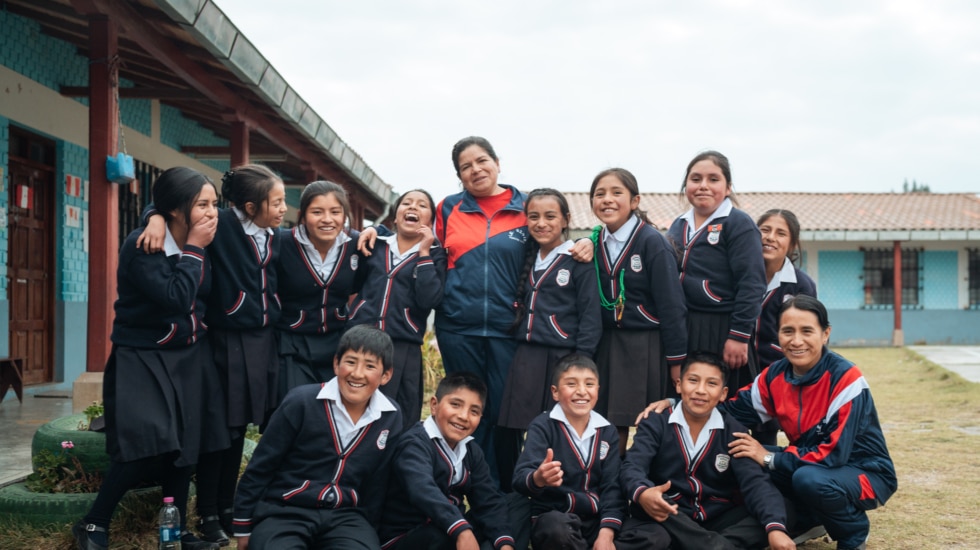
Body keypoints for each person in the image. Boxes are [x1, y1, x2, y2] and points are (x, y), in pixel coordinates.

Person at [641, 296, 898, 550]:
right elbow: (729, 411)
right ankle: (808, 519)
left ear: (825, 334)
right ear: (778, 335)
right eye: (788, 331)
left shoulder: (846, 379)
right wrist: (678, 403)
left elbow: (833, 455)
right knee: (742, 455)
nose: (796, 340)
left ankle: (853, 532)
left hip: (865, 473)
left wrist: (769, 458)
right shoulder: (775, 375)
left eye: (807, 331)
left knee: (807, 479)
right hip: (810, 465)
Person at [74, 167, 225, 550]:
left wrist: (158, 216)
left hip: (189, 356)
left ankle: (174, 533)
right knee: (143, 444)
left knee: (185, 448)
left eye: (214, 204)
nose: (212, 212)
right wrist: (189, 245)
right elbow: (176, 296)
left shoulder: (199, 234)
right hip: (143, 357)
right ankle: (93, 524)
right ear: (176, 209)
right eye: (202, 204)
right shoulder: (144, 245)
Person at [138, 163, 288, 544]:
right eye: (277, 201)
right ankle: (208, 512)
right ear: (250, 206)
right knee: (219, 431)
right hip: (224, 342)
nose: (285, 208)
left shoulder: (275, 235)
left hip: (260, 342)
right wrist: (152, 217)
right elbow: (172, 206)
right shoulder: (219, 222)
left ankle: (227, 506)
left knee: (238, 430)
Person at [232, 325, 403, 550]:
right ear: (336, 363)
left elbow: (378, 484)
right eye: (350, 362)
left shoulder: (390, 415)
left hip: (346, 516)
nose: (357, 373)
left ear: (386, 375)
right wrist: (243, 525)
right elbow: (261, 466)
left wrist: (370, 533)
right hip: (285, 511)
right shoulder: (301, 402)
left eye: (370, 366)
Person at [621, 352, 795, 550]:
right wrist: (643, 492)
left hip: (715, 517)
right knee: (655, 510)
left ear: (723, 393)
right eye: (693, 381)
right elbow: (632, 466)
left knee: (782, 511)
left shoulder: (733, 430)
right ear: (679, 385)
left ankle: (703, 545)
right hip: (670, 515)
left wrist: (775, 529)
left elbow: (755, 482)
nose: (700, 390)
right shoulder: (656, 422)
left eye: (711, 384)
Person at [497, 189, 601, 489]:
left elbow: (590, 317)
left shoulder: (577, 259)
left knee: (557, 428)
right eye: (534, 216)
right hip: (527, 356)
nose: (541, 223)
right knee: (513, 426)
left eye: (550, 216)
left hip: (563, 359)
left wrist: (580, 365)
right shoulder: (527, 257)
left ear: (566, 219)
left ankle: (563, 490)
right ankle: (515, 488)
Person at [512, 354, 669, 550]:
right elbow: (520, 478)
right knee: (556, 530)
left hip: (596, 520)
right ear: (555, 392)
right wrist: (538, 478)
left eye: (589, 384)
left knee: (656, 535)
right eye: (571, 384)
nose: (581, 391)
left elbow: (612, 486)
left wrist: (606, 534)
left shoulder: (607, 430)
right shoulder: (543, 426)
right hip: (558, 517)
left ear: (598, 390)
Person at [590, 167, 688, 456]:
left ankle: (645, 487)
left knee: (650, 423)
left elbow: (673, 307)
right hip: (608, 343)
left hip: (647, 345)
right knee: (610, 422)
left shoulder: (652, 242)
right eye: (599, 194)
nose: (607, 199)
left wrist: (676, 361)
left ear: (635, 201)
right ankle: (611, 489)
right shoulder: (594, 243)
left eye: (616, 192)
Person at [379, 372, 515, 550]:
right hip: (410, 536)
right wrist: (461, 530)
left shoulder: (471, 450)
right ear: (434, 405)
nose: (464, 416)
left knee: (516, 505)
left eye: (474, 411)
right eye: (455, 405)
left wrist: (505, 544)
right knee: (439, 535)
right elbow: (423, 490)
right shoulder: (414, 443)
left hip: (452, 530)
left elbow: (487, 500)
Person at [666, 151, 766, 391]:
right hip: (685, 327)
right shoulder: (678, 225)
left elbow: (752, 283)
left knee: (724, 400)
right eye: (696, 179)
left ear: (728, 187)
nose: (703, 186)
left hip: (724, 328)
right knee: (687, 398)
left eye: (713, 179)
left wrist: (739, 335)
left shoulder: (738, 224)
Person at [348, 188, 446, 429]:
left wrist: (423, 253)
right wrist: (374, 230)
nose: (413, 207)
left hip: (402, 344)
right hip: (360, 338)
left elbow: (429, 299)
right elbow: (351, 282)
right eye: (406, 203)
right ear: (395, 215)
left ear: (431, 222)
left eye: (422, 205)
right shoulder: (375, 244)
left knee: (395, 415)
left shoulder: (436, 255)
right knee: (353, 407)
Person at [277, 181, 364, 398]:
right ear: (302, 215)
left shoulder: (356, 243)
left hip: (337, 343)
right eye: (317, 212)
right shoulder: (281, 243)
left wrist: (374, 228)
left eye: (335, 212)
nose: (327, 219)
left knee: (331, 413)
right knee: (294, 406)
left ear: (344, 215)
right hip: (290, 343)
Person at [752, 209, 817, 446]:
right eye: (765, 230)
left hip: (778, 370)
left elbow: (809, 331)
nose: (770, 237)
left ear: (792, 244)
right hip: (737, 366)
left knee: (767, 431)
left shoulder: (801, 285)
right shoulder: (740, 274)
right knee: (732, 429)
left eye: (781, 233)